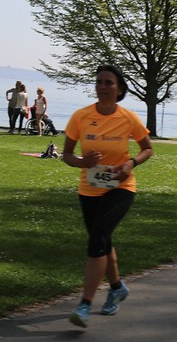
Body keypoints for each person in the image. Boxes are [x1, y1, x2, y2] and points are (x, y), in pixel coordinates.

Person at [62, 64, 153, 328]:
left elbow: (148, 149)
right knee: (102, 239)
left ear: (119, 89)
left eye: (108, 83)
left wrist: (130, 164)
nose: (102, 86)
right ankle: (116, 287)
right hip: (89, 188)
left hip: (120, 187)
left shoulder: (129, 118)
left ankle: (85, 305)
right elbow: (67, 155)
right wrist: (82, 161)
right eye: (99, 82)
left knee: (97, 238)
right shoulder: (80, 116)